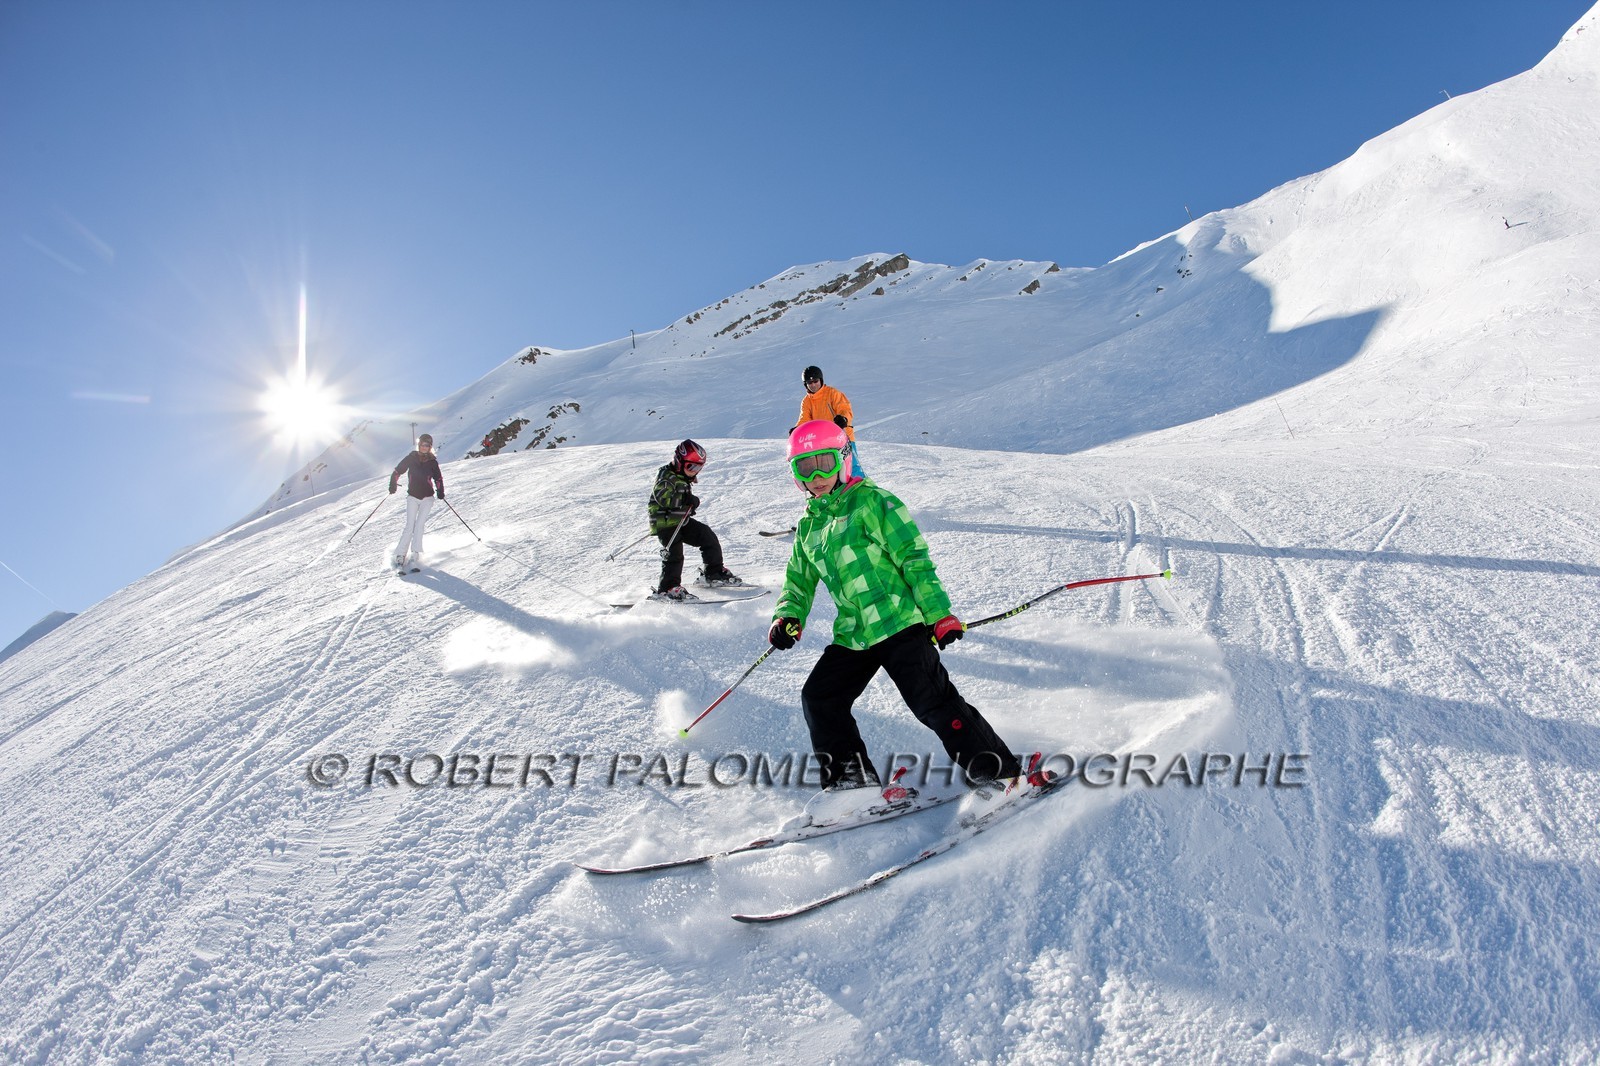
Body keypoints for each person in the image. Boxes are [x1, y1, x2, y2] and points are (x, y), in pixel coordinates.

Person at [767, 420, 1044, 794]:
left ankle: (999, 773)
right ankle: (852, 785)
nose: (817, 475)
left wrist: (939, 614)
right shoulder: (808, 527)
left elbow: (914, 560)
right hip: (855, 633)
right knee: (820, 698)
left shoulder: (874, 502)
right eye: (805, 466)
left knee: (933, 702)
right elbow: (797, 581)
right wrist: (788, 615)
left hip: (898, 621)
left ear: (843, 460)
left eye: (825, 462)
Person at [647, 439, 743, 600]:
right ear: (679, 461)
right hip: (665, 523)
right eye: (691, 467)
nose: (694, 471)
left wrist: (689, 500)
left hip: (679, 521)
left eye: (698, 467)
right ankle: (668, 588)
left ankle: (713, 572)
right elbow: (664, 500)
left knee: (707, 536)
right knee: (674, 554)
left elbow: (683, 495)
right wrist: (687, 500)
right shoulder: (665, 477)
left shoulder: (681, 475)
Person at [791, 365, 864, 478]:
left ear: (821, 380)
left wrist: (843, 419)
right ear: (806, 385)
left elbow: (844, 408)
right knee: (831, 472)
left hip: (842, 437)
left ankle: (862, 490)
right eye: (810, 383)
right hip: (823, 442)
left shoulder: (832, 393)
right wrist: (797, 430)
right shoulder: (807, 401)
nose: (813, 385)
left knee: (851, 468)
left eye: (815, 381)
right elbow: (804, 419)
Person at [389, 433, 444, 571]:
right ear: (419, 445)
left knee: (419, 525)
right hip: (413, 496)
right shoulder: (411, 457)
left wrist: (440, 491)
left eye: (427, 445)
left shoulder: (432, 461)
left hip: (427, 498)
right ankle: (400, 555)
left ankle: (415, 554)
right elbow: (397, 471)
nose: (424, 447)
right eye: (423, 445)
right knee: (410, 525)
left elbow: (438, 479)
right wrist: (393, 484)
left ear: (430, 447)